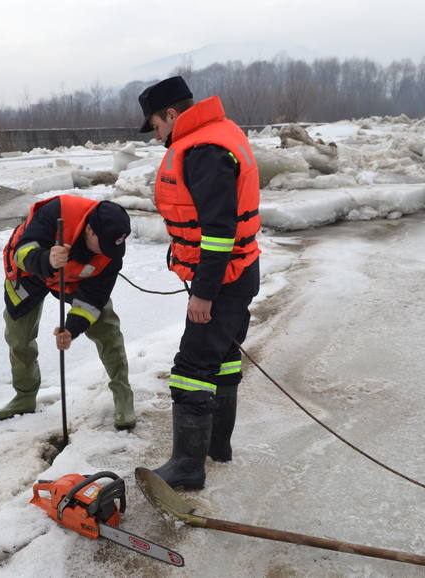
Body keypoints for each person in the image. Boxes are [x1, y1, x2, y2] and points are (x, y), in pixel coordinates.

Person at [138, 76, 261, 488]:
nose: (157, 136)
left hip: (223, 279)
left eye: (156, 126)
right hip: (238, 271)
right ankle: (217, 447)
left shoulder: (203, 149)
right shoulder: (219, 134)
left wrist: (205, 293)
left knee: (191, 368)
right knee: (223, 359)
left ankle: (187, 468)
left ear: (171, 115)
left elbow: (219, 230)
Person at [0, 194, 136, 430]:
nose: (108, 253)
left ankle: (123, 395)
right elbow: (22, 252)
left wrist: (71, 329)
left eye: (114, 247)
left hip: (73, 279)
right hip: (30, 274)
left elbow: (92, 300)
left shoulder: (112, 253)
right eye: (104, 246)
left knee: (107, 327)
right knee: (19, 338)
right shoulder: (58, 211)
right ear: (90, 230)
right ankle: (24, 397)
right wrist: (47, 258)